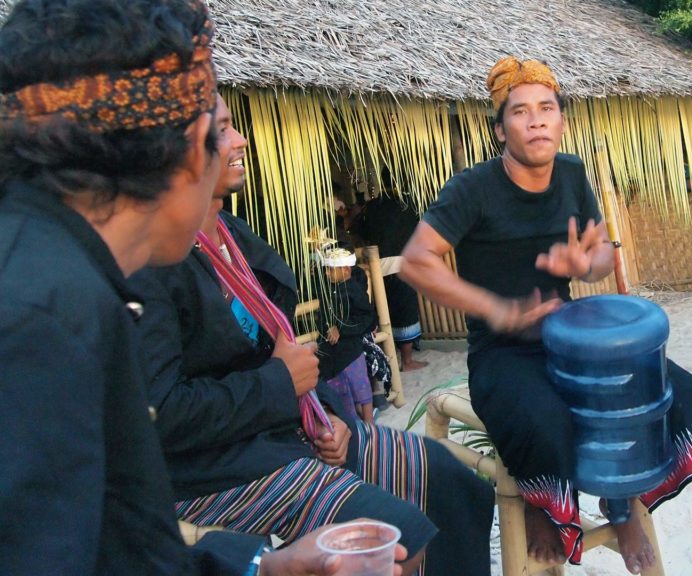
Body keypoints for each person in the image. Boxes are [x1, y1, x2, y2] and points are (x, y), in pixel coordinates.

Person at [0, 1, 406, 575]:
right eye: (217, 130)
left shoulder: (63, 274)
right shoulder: (42, 320)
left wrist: (264, 568)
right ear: (190, 146)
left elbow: (116, 542)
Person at [130, 95, 494, 576]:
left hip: (284, 430)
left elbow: (284, 360)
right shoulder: (149, 262)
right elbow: (160, 414)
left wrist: (334, 419)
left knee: (454, 482)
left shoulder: (235, 240)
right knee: (397, 536)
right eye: (220, 131)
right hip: (210, 468)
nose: (240, 141)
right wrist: (282, 384)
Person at [400, 55, 692, 575]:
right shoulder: (473, 188)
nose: (536, 119)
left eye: (546, 108)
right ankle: (544, 503)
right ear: (501, 129)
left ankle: (621, 501)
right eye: (520, 112)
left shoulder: (571, 173)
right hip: (502, 351)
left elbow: (603, 252)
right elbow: (415, 261)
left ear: (561, 120)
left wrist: (588, 262)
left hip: (571, 340)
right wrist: (498, 308)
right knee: (544, 422)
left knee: (678, 393)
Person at [350, 170, 429, 371]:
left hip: (377, 267)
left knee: (387, 311)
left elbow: (357, 230)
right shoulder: (409, 203)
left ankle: (390, 356)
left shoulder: (371, 207)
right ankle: (408, 361)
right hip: (403, 263)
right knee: (406, 311)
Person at [314, 245, 376, 424]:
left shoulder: (355, 290)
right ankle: (353, 424)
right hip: (330, 349)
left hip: (349, 348)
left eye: (331, 270)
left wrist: (341, 329)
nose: (327, 274)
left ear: (346, 270)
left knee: (359, 386)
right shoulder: (329, 288)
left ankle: (369, 425)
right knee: (339, 390)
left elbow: (367, 317)